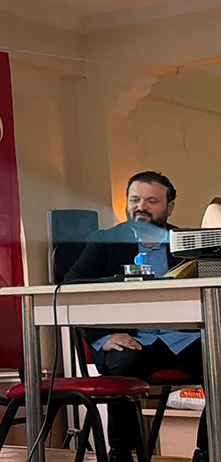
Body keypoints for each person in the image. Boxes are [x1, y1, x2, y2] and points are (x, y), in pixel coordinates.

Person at [66, 171, 206, 462]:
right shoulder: (104, 241)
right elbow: (70, 290)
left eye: (152, 201)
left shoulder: (188, 242)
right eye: (135, 200)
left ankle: (208, 450)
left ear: (170, 207)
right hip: (133, 339)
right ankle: (122, 453)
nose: (141, 207)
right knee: (124, 364)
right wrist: (101, 337)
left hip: (184, 338)